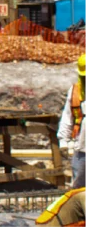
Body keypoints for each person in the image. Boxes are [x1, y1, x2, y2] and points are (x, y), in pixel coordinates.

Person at [57, 54, 86, 189]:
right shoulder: (75, 90)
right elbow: (67, 117)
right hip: (82, 148)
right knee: (78, 189)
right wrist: (63, 140)